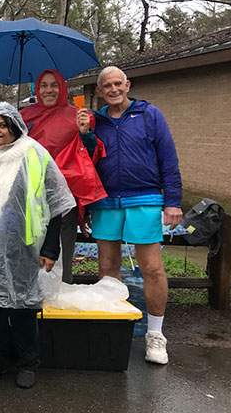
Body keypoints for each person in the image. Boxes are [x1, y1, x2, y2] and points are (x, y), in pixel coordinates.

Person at [0, 102, 74, 389]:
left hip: (24, 246)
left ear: (15, 127)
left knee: (23, 306)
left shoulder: (33, 154)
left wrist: (50, 249)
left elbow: (56, 203)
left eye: (2, 125)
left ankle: (28, 361)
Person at [88, 66, 182, 365]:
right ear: (100, 91)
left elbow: (168, 157)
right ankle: (113, 328)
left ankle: (155, 334)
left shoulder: (149, 115)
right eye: (107, 86)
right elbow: (86, 158)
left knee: (151, 267)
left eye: (118, 83)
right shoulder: (95, 121)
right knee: (107, 267)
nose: (113, 89)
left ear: (127, 85)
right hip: (106, 200)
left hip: (144, 197)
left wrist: (173, 201)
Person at [20, 69, 107, 283]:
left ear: (62, 88)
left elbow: (90, 155)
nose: (49, 90)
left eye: (54, 85)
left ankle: (61, 293)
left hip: (65, 195)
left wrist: (85, 132)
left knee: (62, 248)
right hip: (29, 195)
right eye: (43, 85)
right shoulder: (24, 117)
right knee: (26, 246)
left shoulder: (77, 115)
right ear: (37, 89)